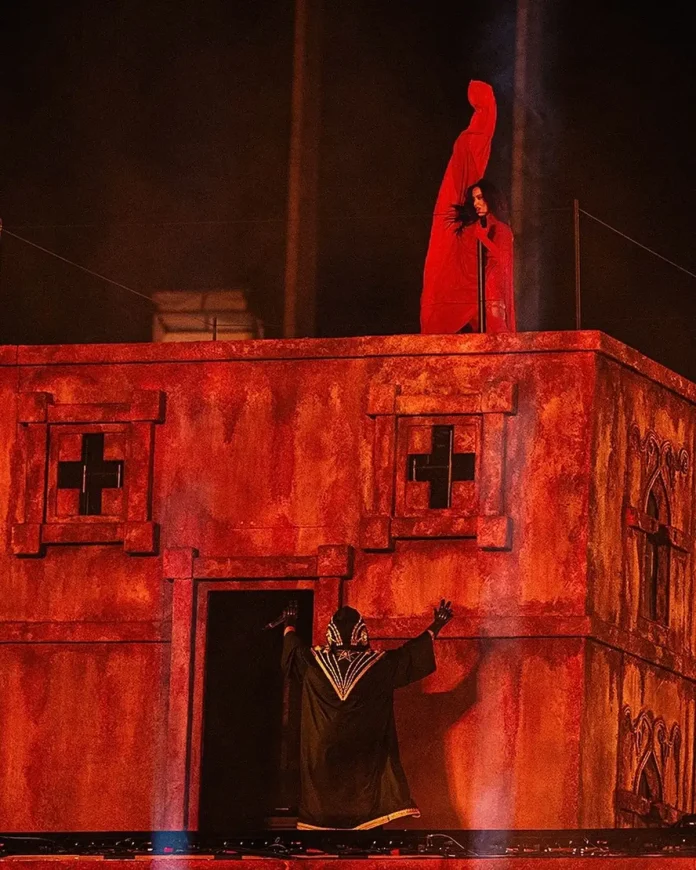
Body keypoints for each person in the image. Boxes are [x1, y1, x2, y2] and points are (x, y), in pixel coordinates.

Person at [281, 599, 454, 830]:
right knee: (367, 811)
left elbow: (292, 652)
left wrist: (290, 623)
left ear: (331, 635)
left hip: (322, 760)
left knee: (321, 808)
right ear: (361, 634)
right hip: (363, 760)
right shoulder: (378, 664)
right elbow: (410, 655)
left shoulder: (313, 661)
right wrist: (437, 625)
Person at [420, 80, 516, 334]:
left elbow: (502, 260)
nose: (477, 203)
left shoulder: (501, 229)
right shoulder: (473, 226)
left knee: (497, 335)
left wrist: (483, 238)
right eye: (474, 199)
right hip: (475, 285)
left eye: (480, 198)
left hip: (492, 289)